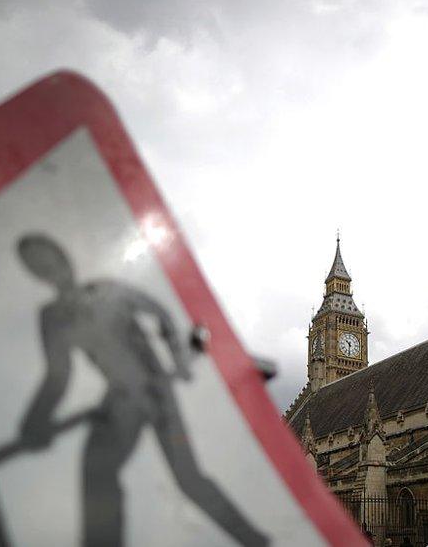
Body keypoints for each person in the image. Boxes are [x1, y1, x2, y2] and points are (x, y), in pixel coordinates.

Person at [16, 234, 268, 547]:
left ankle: (258, 542)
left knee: (188, 479)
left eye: (49, 256)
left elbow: (161, 314)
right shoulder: (52, 317)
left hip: (156, 391)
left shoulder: (107, 289)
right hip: (120, 402)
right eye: (37, 263)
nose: (48, 266)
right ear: (36, 273)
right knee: (97, 469)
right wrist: (35, 420)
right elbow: (59, 375)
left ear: (63, 256)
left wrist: (178, 357)